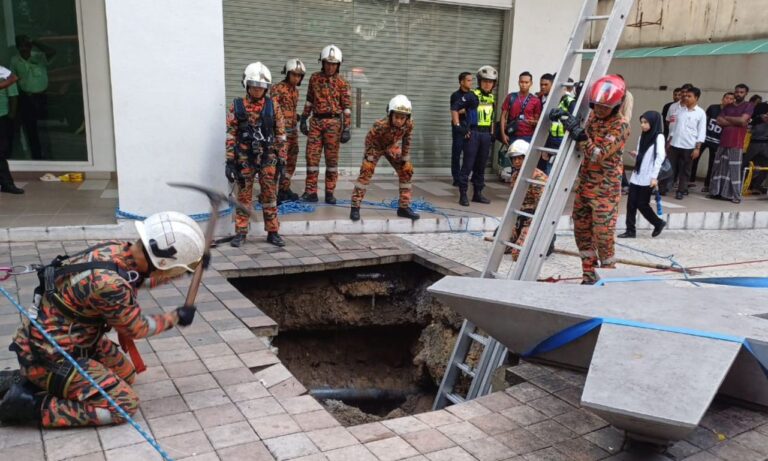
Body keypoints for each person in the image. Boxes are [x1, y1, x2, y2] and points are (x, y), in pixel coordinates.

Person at [0, 211, 205, 427]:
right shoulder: (110, 285)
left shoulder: (117, 250)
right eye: (172, 269)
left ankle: (36, 379)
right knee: (123, 406)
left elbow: (138, 279)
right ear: (162, 262)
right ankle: (29, 404)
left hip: (74, 340)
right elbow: (137, 328)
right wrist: (176, 317)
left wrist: (185, 269)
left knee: (126, 374)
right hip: (54, 355)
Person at [562, 75, 629, 285]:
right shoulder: (593, 117)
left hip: (605, 193)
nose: (599, 110)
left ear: (617, 105)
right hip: (584, 187)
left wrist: (580, 135)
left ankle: (607, 280)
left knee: (604, 239)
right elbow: (581, 135)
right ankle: (588, 277)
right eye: (596, 106)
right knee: (582, 234)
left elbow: (597, 153)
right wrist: (565, 119)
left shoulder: (620, 126)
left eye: (604, 107)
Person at [225, 62, 287, 248]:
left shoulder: (273, 106)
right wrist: (229, 160)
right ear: (247, 85)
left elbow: (281, 134)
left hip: (268, 157)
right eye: (254, 86)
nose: (258, 90)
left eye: (262, 87)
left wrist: (282, 159)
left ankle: (273, 231)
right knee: (244, 196)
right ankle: (241, 232)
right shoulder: (237, 106)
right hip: (245, 158)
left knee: (269, 195)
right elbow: (230, 135)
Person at [350, 95, 419, 222]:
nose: (399, 120)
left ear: (407, 118)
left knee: (407, 170)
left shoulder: (409, 124)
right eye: (396, 117)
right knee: (366, 171)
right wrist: (369, 156)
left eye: (402, 118)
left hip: (391, 146)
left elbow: (407, 140)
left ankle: (403, 207)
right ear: (390, 114)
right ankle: (355, 207)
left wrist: (405, 159)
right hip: (375, 147)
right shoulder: (380, 125)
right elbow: (369, 139)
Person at [299, 44, 351, 205]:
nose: (330, 67)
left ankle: (329, 192)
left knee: (332, 160)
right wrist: (303, 118)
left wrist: (346, 128)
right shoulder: (314, 78)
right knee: (312, 158)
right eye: (327, 63)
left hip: (334, 124)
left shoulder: (342, 82)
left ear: (338, 65)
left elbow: (347, 107)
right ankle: (311, 192)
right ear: (322, 63)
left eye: (334, 64)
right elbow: (309, 100)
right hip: (316, 121)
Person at [619, 111, 667, 238]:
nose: (643, 125)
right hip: (638, 174)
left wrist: (654, 177)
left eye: (646, 122)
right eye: (642, 122)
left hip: (649, 176)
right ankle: (630, 230)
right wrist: (637, 155)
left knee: (642, 204)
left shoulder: (659, 137)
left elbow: (660, 156)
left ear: (653, 122)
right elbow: (643, 153)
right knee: (631, 204)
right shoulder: (643, 136)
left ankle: (658, 223)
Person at [455, 65, 497, 206]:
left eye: (490, 82)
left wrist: (492, 133)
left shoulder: (491, 98)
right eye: (485, 81)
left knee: (481, 166)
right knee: (467, 165)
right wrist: (459, 127)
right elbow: (455, 108)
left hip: (485, 135)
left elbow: (491, 117)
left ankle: (477, 194)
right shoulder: (472, 96)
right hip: (473, 134)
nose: (487, 84)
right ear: (479, 82)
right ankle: (463, 195)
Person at [10, 35, 55, 160]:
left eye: (26, 45)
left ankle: (49, 156)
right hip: (26, 98)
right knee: (31, 130)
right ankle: (37, 157)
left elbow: (52, 51)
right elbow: (12, 80)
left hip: (41, 97)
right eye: (21, 46)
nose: (24, 48)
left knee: (45, 129)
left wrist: (35, 41)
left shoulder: (39, 56)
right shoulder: (15, 60)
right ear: (18, 47)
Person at [709, 83, 754, 204]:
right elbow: (719, 121)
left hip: (736, 142)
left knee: (734, 169)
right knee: (718, 168)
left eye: (741, 92)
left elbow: (743, 120)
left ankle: (735, 196)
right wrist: (737, 121)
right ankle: (716, 192)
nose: (738, 94)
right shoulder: (728, 106)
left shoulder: (748, 105)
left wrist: (728, 119)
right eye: (737, 91)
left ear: (745, 94)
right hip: (723, 141)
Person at [505, 139, 548, 260]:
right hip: (518, 217)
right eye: (514, 159)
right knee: (501, 244)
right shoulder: (515, 176)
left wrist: (531, 223)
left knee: (517, 255)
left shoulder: (538, 178)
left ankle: (543, 240)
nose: (516, 162)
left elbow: (542, 205)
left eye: (520, 158)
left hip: (531, 219)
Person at [274, 58, 306, 204]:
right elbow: (273, 110)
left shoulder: (296, 92)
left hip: (293, 132)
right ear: (287, 73)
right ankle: (271, 192)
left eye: (299, 75)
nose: (296, 78)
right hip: (281, 133)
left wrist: (296, 116)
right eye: (294, 74)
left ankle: (284, 188)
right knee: (278, 162)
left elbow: (290, 109)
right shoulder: (277, 88)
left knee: (291, 162)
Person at [667, 86, 706, 200]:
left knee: (685, 170)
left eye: (689, 96)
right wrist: (669, 141)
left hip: (689, 146)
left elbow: (701, 132)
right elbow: (673, 127)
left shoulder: (700, 113)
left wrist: (697, 148)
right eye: (685, 96)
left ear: (696, 98)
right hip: (674, 144)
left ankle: (681, 190)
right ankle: (664, 188)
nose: (686, 98)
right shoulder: (679, 110)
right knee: (669, 168)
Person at [699, 92, 734, 193]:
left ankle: (707, 184)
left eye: (731, 99)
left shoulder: (731, 113)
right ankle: (688, 181)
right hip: (705, 138)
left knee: (712, 164)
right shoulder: (713, 108)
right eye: (727, 98)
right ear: (722, 99)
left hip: (717, 142)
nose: (728, 100)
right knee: (694, 159)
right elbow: (704, 121)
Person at [539, 78, 576, 174]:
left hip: (563, 140)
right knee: (549, 169)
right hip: (552, 139)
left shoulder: (569, 101)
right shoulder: (553, 100)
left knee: (557, 170)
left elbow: (573, 122)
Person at [500, 71, 542, 146]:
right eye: (521, 82)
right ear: (518, 82)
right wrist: (503, 134)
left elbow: (537, 120)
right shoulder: (511, 97)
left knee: (525, 157)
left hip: (528, 136)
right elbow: (503, 116)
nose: (524, 85)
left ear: (531, 83)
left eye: (526, 82)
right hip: (512, 134)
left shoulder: (536, 100)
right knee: (512, 157)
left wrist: (533, 122)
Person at [0, 66, 23, 194]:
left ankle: (6, 183)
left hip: (1, 115)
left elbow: (14, 78)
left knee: (1, 151)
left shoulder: (1, 70)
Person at [450, 72, 474, 186]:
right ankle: (456, 177)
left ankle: (465, 176)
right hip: (459, 126)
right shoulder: (455, 95)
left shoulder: (473, 95)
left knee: (469, 153)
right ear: (461, 82)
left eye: (471, 80)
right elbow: (456, 111)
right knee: (456, 152)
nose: (471, 82)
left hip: (470, 126)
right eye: (468, 80)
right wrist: (467, 108)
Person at [743, 102, 768, 194]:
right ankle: (744, 184)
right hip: (755, 143)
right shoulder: (759, 116)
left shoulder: (758, 117)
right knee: (746, 164)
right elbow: (749, 126)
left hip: (762, 144)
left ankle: (755, 186)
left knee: (764, 166)